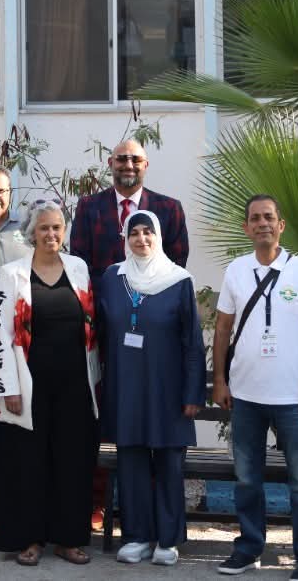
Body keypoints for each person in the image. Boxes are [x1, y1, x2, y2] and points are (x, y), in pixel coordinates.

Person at [211, 195, 298, 581]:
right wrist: (220, 380)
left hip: (294, 397)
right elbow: (223, 328)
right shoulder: (236, 270)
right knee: (247, 479)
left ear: (281, 225)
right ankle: (248, 548)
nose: (262, 223)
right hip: (245, 395)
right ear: (246, 228)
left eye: (269, 217)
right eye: (255, 218)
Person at [0, 199, 102, 567]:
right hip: (28, 386)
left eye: (57, 227)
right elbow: (3, 333)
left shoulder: (78, 268)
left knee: (73, 462)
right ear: (31, 232)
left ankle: (68, 539)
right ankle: (29, 539)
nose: (51, 234)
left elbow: (90, 328)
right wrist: (9, 388)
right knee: (28, 464)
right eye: (44, 228)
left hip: (75, 385)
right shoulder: (12, 274)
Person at [96, 209, 203, 566]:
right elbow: (99, 334)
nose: (141, 239)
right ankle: (137, 536)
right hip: (126, 385)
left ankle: (167, 540)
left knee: (169, 464)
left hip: (168, 389)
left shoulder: (178, 280)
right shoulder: (113, 278)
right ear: (125, 239)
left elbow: (193, 343)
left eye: (148, 232)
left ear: (158, 237)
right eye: (134, 233)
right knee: (131, 462)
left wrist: (193, 393)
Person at [69, 139, 190, 279]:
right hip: (102, 292)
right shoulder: (88, 207)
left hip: (155, 290)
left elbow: (176, 262)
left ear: (145, 165)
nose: (129, 165)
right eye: (121, 159)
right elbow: (80, 261)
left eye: (136, 160)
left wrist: (149, 288)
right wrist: (109, 288)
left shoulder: (170, 209)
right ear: (110, 163)